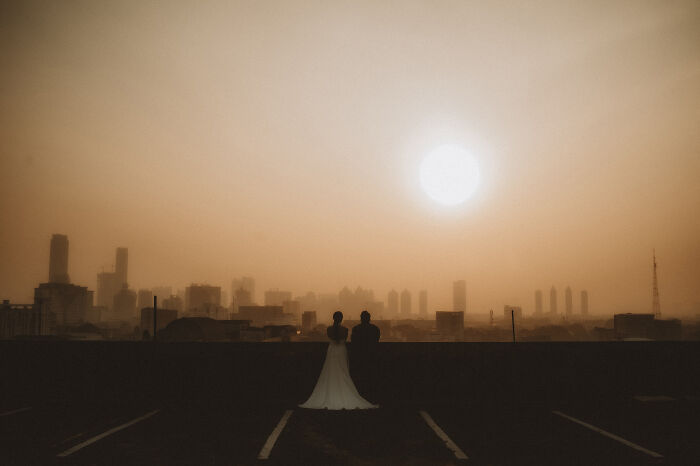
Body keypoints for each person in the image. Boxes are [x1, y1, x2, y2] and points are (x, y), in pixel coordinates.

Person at [299, 311, 378, 410]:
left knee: (330, 372)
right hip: (341, 351)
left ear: (333, 318)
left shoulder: (329, 329)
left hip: (332, 351)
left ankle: (332, 392)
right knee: (343, 371)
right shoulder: (345, 330)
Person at [351, 311, 381, 402]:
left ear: (361, 318)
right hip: (371, 356)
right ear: (369, 318)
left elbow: (353, 342)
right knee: (371, 377)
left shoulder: (356, 329)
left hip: (359, 357)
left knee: (360, 378)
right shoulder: (375, 329)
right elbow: (376, 341)